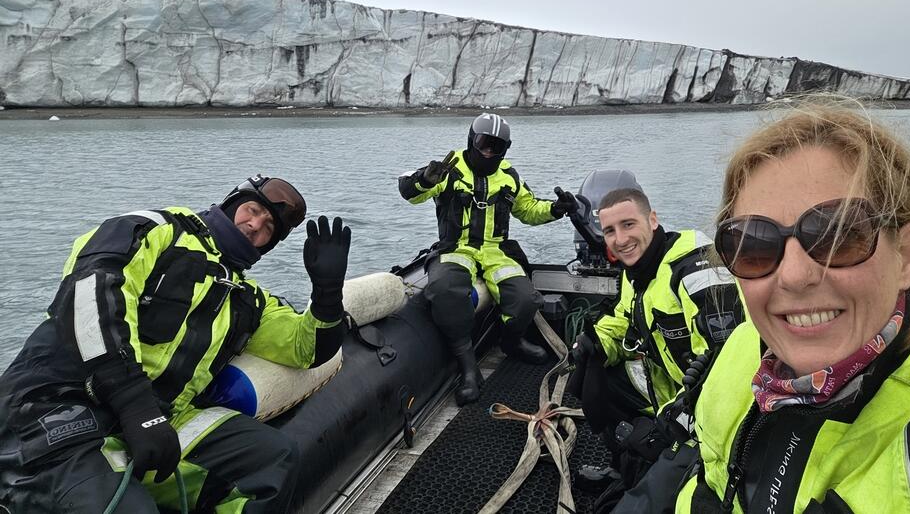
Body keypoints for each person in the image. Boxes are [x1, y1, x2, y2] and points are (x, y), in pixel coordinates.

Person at [668, 99, 910, 513]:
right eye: (754, 245)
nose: (793, 275)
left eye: (838, 235)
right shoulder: (744, 357)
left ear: (906, 256)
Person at [0, 175, 351, 513]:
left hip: (157, 422)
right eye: (253, 210)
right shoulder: (155, 229)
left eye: (269, 229)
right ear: (232, 202)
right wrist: (136, 406)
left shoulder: (247, 299)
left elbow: (306, 350)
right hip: (59, 408)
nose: (255, 225)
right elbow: (89, 294)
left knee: (274, 459)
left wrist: (327, 295)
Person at [567, 187, 744, 493]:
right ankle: (625, 470)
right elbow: (624, 320)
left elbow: (730, 367)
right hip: (670, 384)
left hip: (718, 403)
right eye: (610, 230)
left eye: (628, 224)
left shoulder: (693, 270)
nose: (620, 240)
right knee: (596, 375)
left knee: (656, 451)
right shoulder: (636, 271)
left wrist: (669, 426)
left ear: (652, 219)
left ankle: (681, 471)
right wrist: (595, 343)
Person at [398, 112, 578, 405]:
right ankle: (468, 367)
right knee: (445, 292)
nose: (489, 151)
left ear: (505, 148)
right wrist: (424, 179)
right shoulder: (449, 168)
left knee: (526, 299)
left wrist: (556, 209)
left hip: (496, 250)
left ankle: (512, 341)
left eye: (497, 146)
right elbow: (409, 190)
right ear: (471, 140)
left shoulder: (509, 175)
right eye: (484, 143)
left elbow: (528, 209)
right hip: (456, 248)